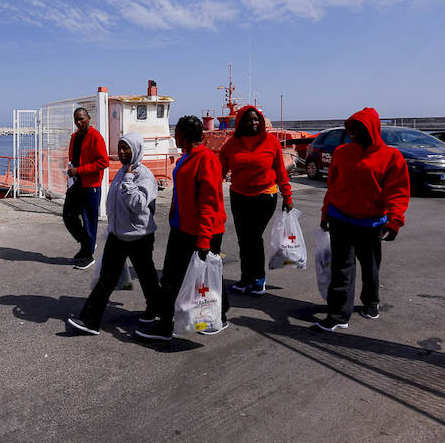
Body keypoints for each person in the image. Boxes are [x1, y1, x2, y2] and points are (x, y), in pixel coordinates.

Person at [135, 116, 229, 341]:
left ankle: (166, 325)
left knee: (173, 278)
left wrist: (204, 241)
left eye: (176, 133)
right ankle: (221, 312)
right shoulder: (187, 157)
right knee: (202, 274)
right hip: (183, 228)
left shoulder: (206, 160)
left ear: (185, 136)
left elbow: (209, 203)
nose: (174, 136)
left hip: (199, 232)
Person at [315, 107, 409, 332]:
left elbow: (398, 191)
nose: (354, 133)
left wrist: (394, 221)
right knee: (342, 269)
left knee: (371, 268)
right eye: (352, 129)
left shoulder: (391, 157)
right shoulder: (342, 152)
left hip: (371, 223)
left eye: (360, 129)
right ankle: (339, 315)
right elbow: (333, 186)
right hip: (341, 219)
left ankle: (371, 303)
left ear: (373, 129)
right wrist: (325, 213)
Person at [66, 133, 162, 335]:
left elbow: (137, 204)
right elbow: (114, 203)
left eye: (126, 148)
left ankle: (157, 311)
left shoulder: (144, 175)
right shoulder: (122, 171)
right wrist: (111, 227)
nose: (122, 152)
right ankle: (90, 321)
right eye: (120, 148)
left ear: (136, 149)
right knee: (106, 278)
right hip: (118, 236)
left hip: (139, 237)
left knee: (147, 277)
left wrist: (128, 178)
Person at [219, 106, 294, 296]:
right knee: (244, 239)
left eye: (256, 119)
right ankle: (246, 279)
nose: (253, 123)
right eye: (248, 120)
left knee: (253, 237)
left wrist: (288, 197)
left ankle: (258, 279)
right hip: (239, 196)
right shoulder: (231, 145)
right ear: (240, 122)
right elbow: (218, 172)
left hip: (265, 196)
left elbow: (280, 172)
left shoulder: (271, 142)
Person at [63, 107, 109, 270]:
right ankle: (87, 243)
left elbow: (104, 162)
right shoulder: (75, 137)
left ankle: (88, 255)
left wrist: (79, 170)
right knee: (68, 215)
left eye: (82, 118)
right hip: (76, 183)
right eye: (76, 119)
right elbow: (74, 158)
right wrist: (71, 170)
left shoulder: (96, 137)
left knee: (90, 220)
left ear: (88, 118)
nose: (79, 122)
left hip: (91, 186)